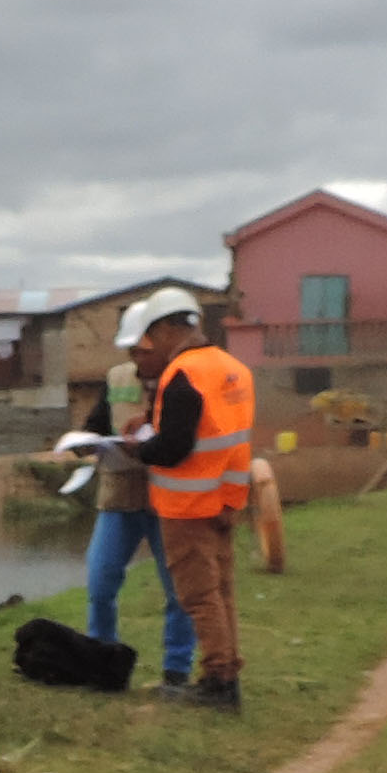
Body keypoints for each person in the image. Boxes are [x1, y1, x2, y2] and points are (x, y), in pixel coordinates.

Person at [117, 294, 259, 711]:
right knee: (222, 592)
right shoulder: (233, 368)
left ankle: (218, 683)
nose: (150, 348)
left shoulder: (182, 374)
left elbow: (174, 448)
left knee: (198, 596)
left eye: (150, 337)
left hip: (188, 504)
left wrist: (135, 449)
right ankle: (227, 671)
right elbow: (212, 426)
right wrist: (152, 424)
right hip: (226, 497)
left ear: (165, 329)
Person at [79, 342, 191, 688]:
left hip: (168, 499)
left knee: (178, 590)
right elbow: (97, 425)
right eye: (133, 352)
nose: (136, 359)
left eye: (144, 352)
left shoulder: (181, 382)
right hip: (120, 497)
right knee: (100, 582)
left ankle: (176, 671)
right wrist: (84, 442)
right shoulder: (116, 378)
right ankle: (102, 659)